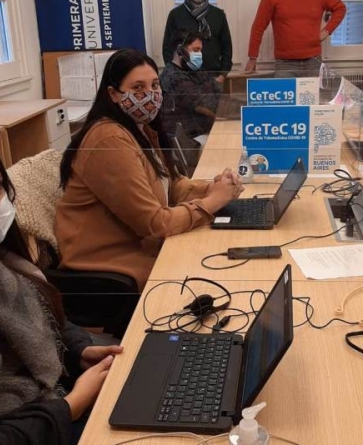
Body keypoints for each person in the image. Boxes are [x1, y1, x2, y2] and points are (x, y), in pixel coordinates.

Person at [0, 130, 123, 444]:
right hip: (41, 424)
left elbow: (38, 318)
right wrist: (69, 408)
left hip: (48, 405)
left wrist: (78, 351)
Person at [56, 49, 243, 290]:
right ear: (113, 94)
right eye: (137, 88)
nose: (150, 95)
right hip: (112, 267)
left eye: (155, 85)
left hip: (141, 249)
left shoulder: (139, 127)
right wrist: (212, 202)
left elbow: (169, 185)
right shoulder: (109, 140)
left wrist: (213, 187)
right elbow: (156, 225)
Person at [245, 0, 346, 78]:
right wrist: (252, 57)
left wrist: (326, 31)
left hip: (313, 62)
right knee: (285, 98)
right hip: (285, 64)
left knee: (312, 98)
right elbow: (258, 26)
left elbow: (340, 8)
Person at [162, 0, 233, 85]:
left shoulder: (218, 14)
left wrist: (222, 75)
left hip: (213, 77)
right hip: (184, 79)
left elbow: (227, 47)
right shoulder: (176, 15)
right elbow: (168, 48)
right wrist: (175, 74)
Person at [161, 30, 222, 143]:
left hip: (207, 131)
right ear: (180, 50)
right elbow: (204, 105)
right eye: (195, 50)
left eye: (200, 50)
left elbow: (220, 94)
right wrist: (242, 111)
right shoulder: (172, 76)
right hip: (191, 138)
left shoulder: (198, 71)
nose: (199, 54)